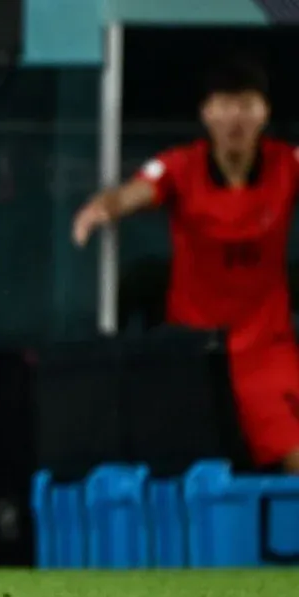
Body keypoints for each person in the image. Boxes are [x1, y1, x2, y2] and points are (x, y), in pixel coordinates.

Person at [72, 53, 299, 474]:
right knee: (186, 470)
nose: (236, 118)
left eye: (246, 105)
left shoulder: (288, 163)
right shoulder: (179, 167)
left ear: (264, 113)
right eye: (225, 105)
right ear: (206, 113)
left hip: (266, 349)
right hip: (194, 351)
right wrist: (99, 211)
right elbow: (132, 194)